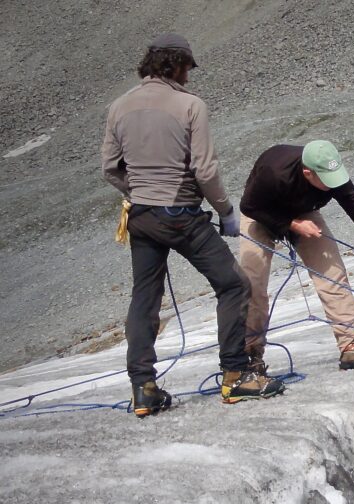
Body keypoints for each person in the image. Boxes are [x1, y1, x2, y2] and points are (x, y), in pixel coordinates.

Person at [101, 33, 283, 417]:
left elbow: (110, 168)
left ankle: (143, 388)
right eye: (187, 68)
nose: (189, 75)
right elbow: (204, 169)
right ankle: (236, 375)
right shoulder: (190, 106)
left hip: (141, 216)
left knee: (145, 298)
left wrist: (139, 190)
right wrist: (226, 211)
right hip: (181, 214)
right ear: (177, 65)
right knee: (233, 285)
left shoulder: (119, 106)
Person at [238, 141, 354, 371]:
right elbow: (248, 206)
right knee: (252, 283)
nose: (333, 183)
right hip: (261, 212)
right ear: (308, 173)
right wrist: (292, 224)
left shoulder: (335, 176)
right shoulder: (274, 173)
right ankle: (249, 354)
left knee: (333, 272)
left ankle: (351, 346)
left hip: (304, 212)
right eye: (326, 179)